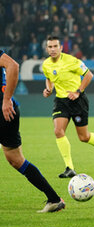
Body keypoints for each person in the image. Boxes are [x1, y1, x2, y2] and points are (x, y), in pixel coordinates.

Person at [42, 36, 94, 178]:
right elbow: (49, 78)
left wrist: (78, 92)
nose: (52, 49)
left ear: (61, 48)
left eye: (55, 46)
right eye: (50, 47)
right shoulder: (46, 64)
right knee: (58, 131)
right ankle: (69, 167)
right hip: (61, 101)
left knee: (83, 137)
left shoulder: (72, 61)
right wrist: (48, 89)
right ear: (47, 49)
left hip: (78, 101)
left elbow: (88, 75)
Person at [0, 49, 65, 212]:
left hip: (4, 110)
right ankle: (54, 199)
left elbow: (13, 66)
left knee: (15, 159)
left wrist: (6, 99)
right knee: (15, 160)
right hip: (8, 111)